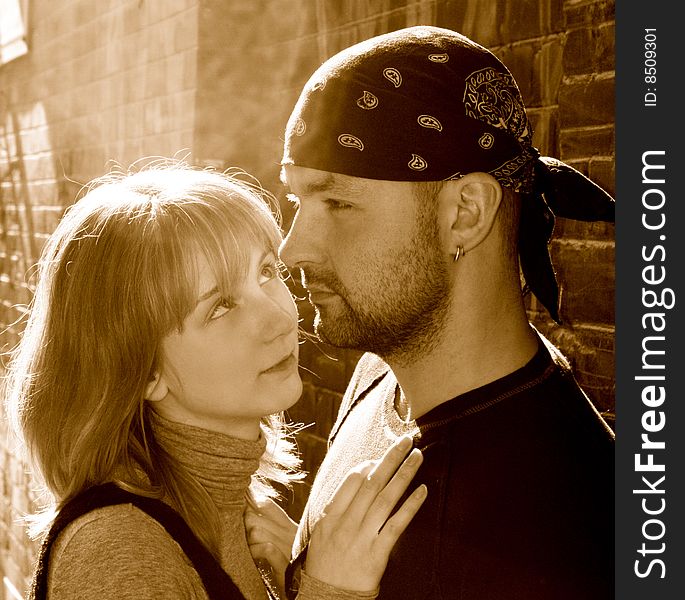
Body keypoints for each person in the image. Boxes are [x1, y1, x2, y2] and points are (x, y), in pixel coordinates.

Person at [252, 25, 615, 599]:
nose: (294, 248)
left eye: (339, 202)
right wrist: (300, 565)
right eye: (299, 200)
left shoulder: (545, 542)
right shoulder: (388, 367)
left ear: (465, 213)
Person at [2, 161, 428, 600]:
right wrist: (330, 591)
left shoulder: (241, 517)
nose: (280, 318)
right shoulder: (119, 551)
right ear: (145, 371)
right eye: (221, 306)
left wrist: (296, 579)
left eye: (266, 271)